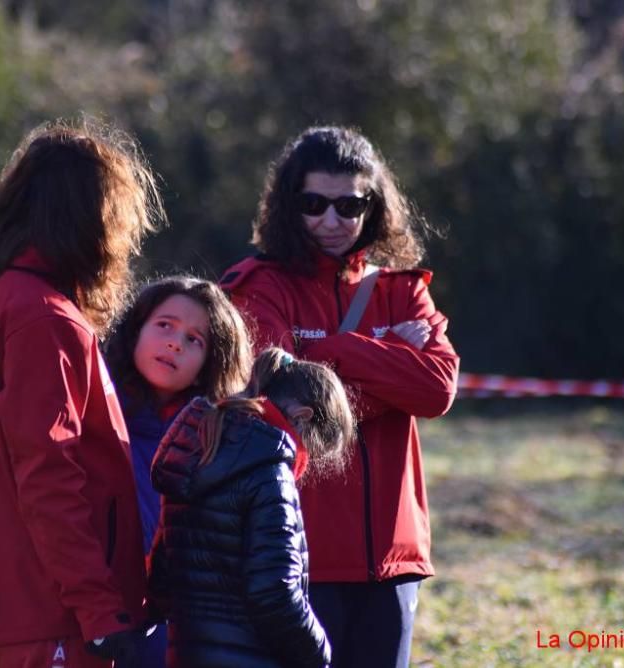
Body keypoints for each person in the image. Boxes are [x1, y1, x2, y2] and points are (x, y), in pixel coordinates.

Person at [220, 126, 460, 668]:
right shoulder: (258, 286)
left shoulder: (403, 288)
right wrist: (385, 355)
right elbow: (282, 405)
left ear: (372, 205)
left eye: (350, 205)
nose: (332, 221)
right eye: (314, 204)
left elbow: (437, 388)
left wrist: (333, 352)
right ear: (288, 204)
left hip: (391, 559)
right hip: (295, 557)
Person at [0, 119, 164, 667]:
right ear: (91, 219)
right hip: (57, 616)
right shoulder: (42, 319)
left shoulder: (6, 300)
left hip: (38, 606)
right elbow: (48, 477)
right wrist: (98, 608)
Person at [147, 348, 355, 668]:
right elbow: (275, 592)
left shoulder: (202, 447)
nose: (304, 462)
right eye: (310, 449)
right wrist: (318, 653)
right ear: (302, 417)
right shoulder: (269, 471)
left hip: (187, 651)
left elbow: (162, 572)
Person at [104, 276, 253, 667]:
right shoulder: (92, 416)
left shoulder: (220, 441)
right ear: (136, 329)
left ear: (211, 363)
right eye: (165, 325)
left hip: (179, 626)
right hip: (96, 615)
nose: (175, 343)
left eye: (195, 340)